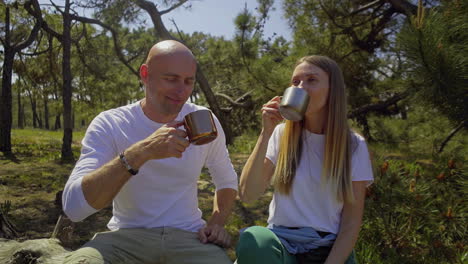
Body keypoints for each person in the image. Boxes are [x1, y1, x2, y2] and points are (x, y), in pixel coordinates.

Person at [62, 40, 238, 264]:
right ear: (145, 74)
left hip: (190, 238)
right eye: (171, 79)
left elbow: (227, 181)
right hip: (125, 238)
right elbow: (74, 208)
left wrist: (216, 223)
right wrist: (141, 153)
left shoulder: (203, 120)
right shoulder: (111, 123)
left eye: (188, 81)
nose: (181, 90)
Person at [236, 55, 374, 264]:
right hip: (283, 244)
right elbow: (248, 194)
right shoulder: (281, 134)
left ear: (332, 90)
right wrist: (266, 133)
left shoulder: (354, 145)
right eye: (295, 82)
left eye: (311, 80)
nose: (300, 87)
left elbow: (351, 223)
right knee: (253, 239)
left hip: (328, 250)